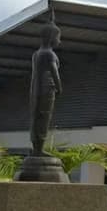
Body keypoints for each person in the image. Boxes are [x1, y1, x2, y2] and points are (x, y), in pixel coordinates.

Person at [29, 21, 62, 155]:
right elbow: (54, 72)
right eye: (58, 37)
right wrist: (59, 88)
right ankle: (39, 149)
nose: (59, 41)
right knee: (44, 117)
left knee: (37, 116)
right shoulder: (49, 54)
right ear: (51, 37)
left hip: (36, 89)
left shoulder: (36, 54)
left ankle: (36, 147)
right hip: (47, 89)